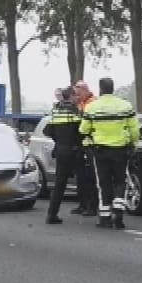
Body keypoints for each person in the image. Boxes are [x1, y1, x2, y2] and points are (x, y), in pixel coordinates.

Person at [79, 77, 139, 229]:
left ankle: (105, 218)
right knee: (120, 181)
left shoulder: (92, 107)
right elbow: (134, 129)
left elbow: (83, 129)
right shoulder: (125, 106)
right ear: (113, 88)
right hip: (120, 150)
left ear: (100, 89)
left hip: (100, 150)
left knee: (103, 183)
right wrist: (133, 143)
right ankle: (118, 212)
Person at [41, 87, 85, 224]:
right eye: (76, 95)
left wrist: (58, 140)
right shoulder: (75, 112)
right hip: (74, 150)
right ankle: (88, 207)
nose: (77, 98)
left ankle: (51, 214)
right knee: (84, 179)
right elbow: (83, 131)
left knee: (59, 183)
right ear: (70, 96)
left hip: (60, 150)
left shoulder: (56, 111)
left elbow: (46, 131)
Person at [70, 80, 99, 216]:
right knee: (82, 178)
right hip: (82, 146)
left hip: (91, 145)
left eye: (78, 94)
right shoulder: (81, 103)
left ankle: (92, 206)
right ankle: (83, 204)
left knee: (90, 178)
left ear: (84, 90)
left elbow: (86, 127)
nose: (77, 96)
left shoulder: (93, 103)